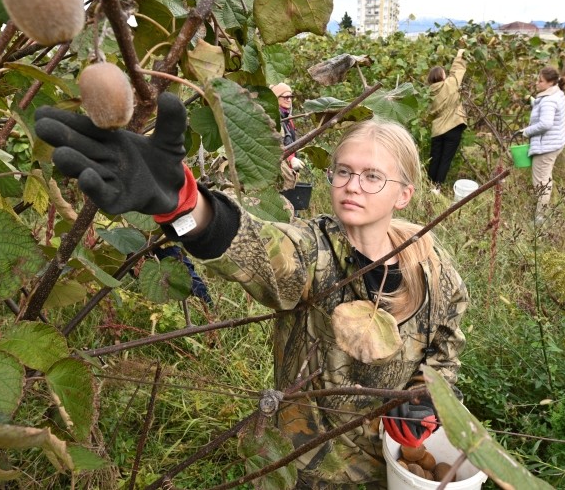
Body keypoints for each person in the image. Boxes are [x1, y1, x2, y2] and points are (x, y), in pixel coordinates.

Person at [35, 93, 468, 489]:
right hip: (309, 468)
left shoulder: (430, 265)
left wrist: (425, 398)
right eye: (344, 171)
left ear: (405, 195)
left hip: (396, 470)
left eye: (372, 176)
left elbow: (444, 347)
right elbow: (261, 250)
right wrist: (184, 205)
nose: (353, 185)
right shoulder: (315, 252)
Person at [515, 66, 565, 220]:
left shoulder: (548, 100)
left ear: (550, 83)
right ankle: (541, 212)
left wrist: (526, 131)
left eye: (540, 81)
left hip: (546, 146)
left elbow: (545, 123)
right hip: (556, 142)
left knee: (541, 182)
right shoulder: (557, 93)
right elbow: (547, 109)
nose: (537, 83)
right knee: (545, 178)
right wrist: (533, 102)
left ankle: (540, 218)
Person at [426, 48, 468, 194]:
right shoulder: (448, 85)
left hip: (437, 130)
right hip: (453, 127)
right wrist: (459, 55)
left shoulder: (428, 94)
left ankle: (429, 186)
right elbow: (457, 71)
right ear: (442, 76)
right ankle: (437, 188)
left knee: (435, 158)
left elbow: (428, 114)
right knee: (445, 159)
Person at [271, 82, 305, 192]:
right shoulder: (273, 118)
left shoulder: (288, 118)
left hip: (288, 171)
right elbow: (273, 146)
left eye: (290, 97)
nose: (289, 100)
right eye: (285, 97)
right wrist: (291, 159)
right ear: (276, 98)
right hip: (277, 171)